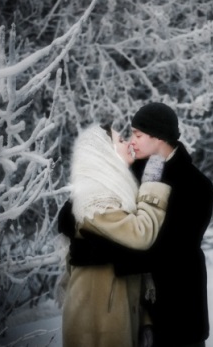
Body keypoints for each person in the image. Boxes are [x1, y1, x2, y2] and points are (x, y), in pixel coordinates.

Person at [68, 103, 213, 347]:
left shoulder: (196, 185)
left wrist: (99, 254)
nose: (132, 140)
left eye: (138, 134)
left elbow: (173, 251)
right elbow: (78, 211)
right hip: (133, 308)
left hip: (178, 307)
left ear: (158, 137)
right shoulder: (133, 169)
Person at [58, 123, 172, 347]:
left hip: (113, 317)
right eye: (120, 141)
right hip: (96, 326)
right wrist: (151, 186)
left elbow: (124, 262)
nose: (129, 142)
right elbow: (141, 235)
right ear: (104, 154)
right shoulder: (96, 201)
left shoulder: (115, 193)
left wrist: (143, 319)